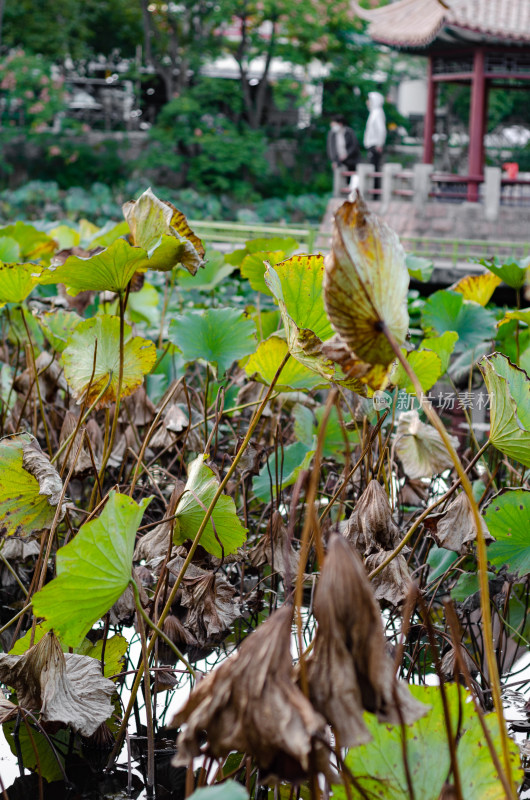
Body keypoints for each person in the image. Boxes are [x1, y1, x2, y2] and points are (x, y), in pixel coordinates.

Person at [363, 91, 386, 191]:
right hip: (372, 145)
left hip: (375, 146)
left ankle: (375, 192)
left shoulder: (377, 113)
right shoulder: (373, 112)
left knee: (375, 168)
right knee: (372, 168)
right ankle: (373, 190)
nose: (367, 102)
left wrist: (379, 144)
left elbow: (381, 130)